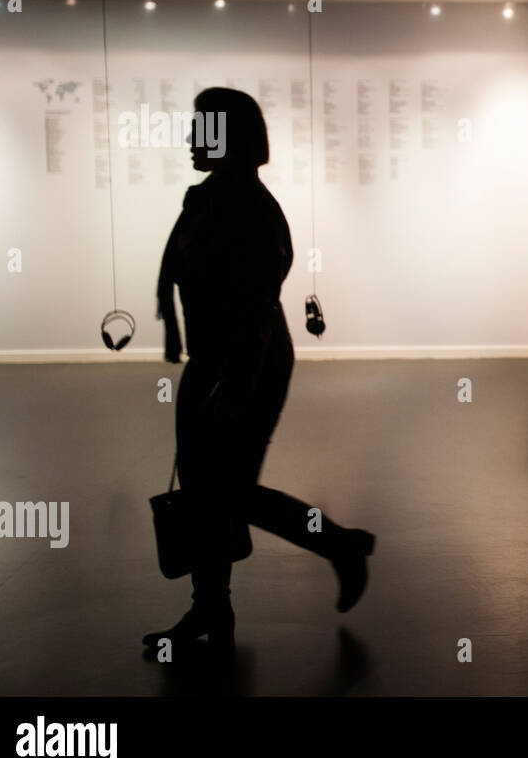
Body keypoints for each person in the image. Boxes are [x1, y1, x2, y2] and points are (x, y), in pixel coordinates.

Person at [145, 87, 375, 654]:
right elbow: (180, 268)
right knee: (208, 490)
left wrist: (236, 387)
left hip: (248, 363)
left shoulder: (248, 207)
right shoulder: (209, 199)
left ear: (231, 137)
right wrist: (180, 332)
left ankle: (339, 545)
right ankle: (211, 610)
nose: (192, 137)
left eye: (203, 127)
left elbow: (254, 309)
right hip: (212, 360)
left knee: (228, 490)